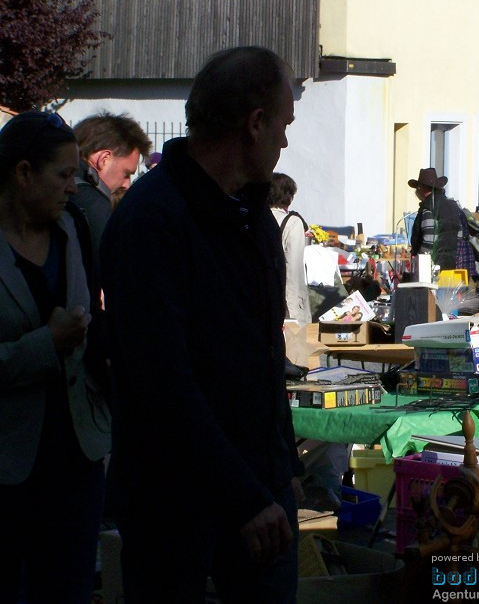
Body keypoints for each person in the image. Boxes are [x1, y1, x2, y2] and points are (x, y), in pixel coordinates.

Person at [100, 47, 304, 603]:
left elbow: (259, 358)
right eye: (283, 126)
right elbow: (161, 380)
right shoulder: (155, 219)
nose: (285, 142)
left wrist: (279, 468)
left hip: (256, 494)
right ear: (254, 123)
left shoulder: (249, 215)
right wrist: (245, 495)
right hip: (178, 504)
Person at [0, 112, 111, 603]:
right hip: (8, 462)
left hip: (76, 455)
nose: (73, 187)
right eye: (63, 175)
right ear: (23, 173)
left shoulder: (73, 231)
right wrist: (45, 344)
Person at [72, 112, 151, 278]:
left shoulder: (54, 186)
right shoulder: (94, 204)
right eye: (126, 173)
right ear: (104, 158)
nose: (126, 184)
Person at [268, 172, 311, 324]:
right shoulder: (292, 222)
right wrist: (297, 310)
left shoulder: (258, 218)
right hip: (285, 302)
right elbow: (293, 267)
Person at [408, 167, 463, 274]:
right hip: (452, 264)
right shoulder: (452, 206)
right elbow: (460, 236)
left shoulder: (429, 207)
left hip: (433, 267)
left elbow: (429, 241)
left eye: (417, 188)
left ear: (422, 188)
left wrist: (419, 262)